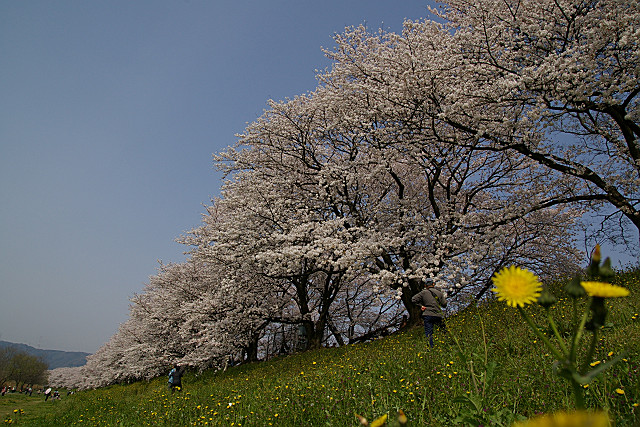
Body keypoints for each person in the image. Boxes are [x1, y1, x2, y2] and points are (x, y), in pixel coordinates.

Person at [411, 279, 447, 348]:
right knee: (443, 330)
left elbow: (413, 299)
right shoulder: (439, 293)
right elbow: (444, 304)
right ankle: (446, 343)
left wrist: (421, 306)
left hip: (428, 314)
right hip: (438, 315)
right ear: (433, 284)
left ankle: (430, 348)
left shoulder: (423, 292)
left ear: (425, 285)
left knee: (429, 333)